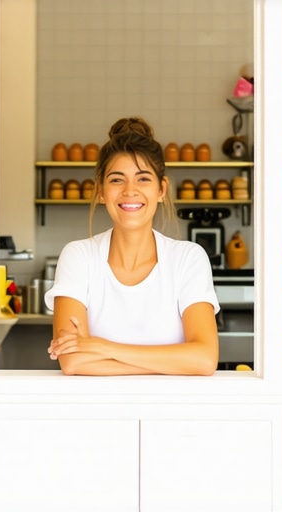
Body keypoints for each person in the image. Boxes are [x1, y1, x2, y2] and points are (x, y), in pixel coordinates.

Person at [45, 117, 219, 376]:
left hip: (173, 410)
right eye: (116, 180)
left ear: (161, 190)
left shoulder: (188, 258)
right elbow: (72, 362)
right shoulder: (78, 256)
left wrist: (103, 348)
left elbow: (204, 359)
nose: (130, 191)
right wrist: (173, 360)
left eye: (143, 179)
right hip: (97, 410)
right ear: (101, 191)